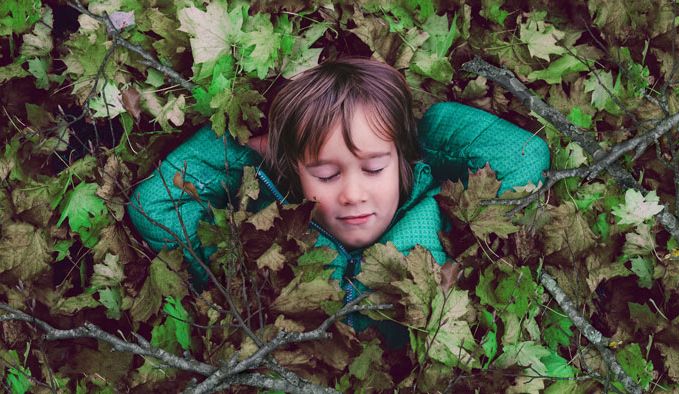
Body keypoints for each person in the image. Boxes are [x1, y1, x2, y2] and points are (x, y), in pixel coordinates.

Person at [127, 57, 550, 344]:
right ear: (295, 172)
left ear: (402, 160)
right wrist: (252, 147)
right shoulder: (260, 243)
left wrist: (421, 132)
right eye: (326, 174)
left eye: (373, 168)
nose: (352, 193)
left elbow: (525, 157)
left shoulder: (440, 214)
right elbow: (154, 207)